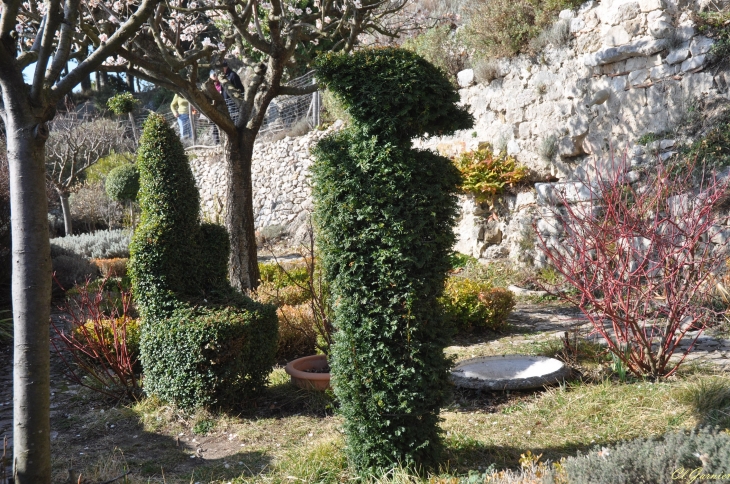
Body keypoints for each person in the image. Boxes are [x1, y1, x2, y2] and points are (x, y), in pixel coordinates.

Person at [210, 72, 222, 144]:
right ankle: (216, 143)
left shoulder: (221, 85)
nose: (213, 81)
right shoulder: (209, 87)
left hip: (221, 108)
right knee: (214, 127)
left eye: (215, 77)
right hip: (213, 109)